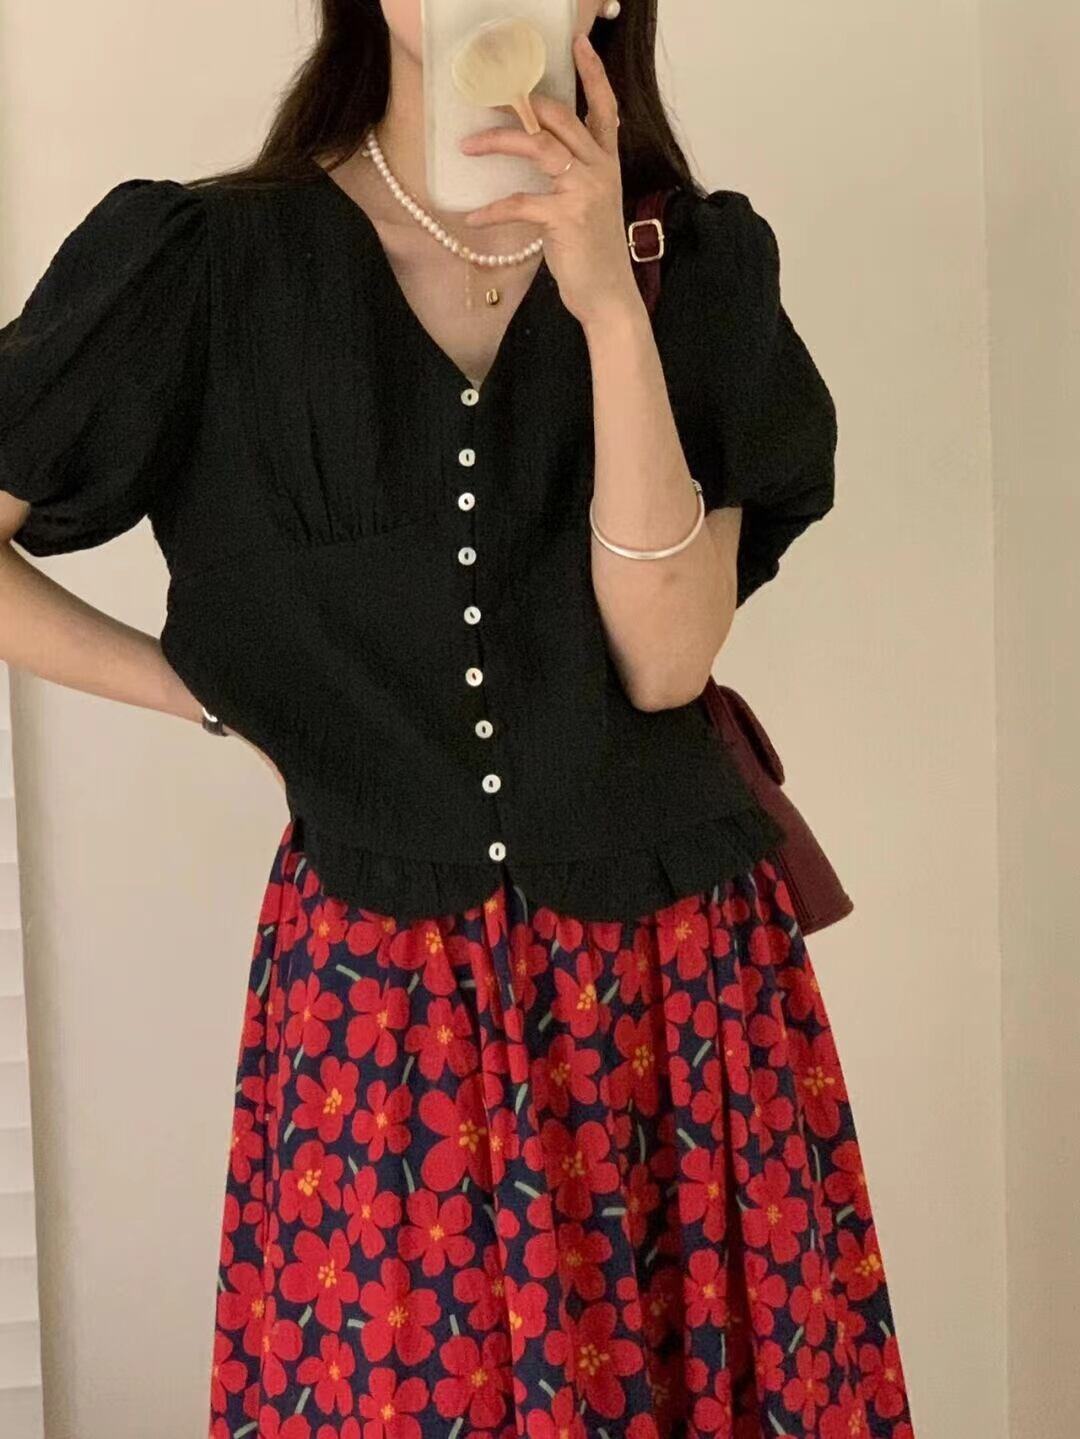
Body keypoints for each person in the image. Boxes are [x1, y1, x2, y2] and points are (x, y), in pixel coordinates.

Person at [0, 3, 916, 1436]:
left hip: (674, 1003)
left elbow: (667, 661)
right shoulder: (201, 263)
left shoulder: (693, 265)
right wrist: (207, 695)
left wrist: (606, 303)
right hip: (378, 1013)